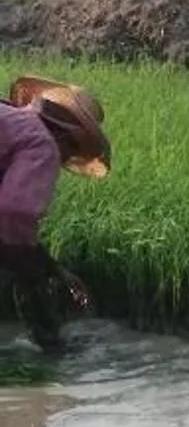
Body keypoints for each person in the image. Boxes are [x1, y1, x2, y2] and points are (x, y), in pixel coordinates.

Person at [0, 77, 110, 344]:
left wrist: (54, 269)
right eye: (71, 151)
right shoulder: (41, 143)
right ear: (66, 136)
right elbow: (14, 218)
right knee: (26, 268)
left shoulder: (9, 117)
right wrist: (42, 272)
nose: (64, 160)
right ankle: (49, 346)